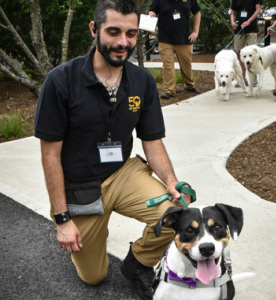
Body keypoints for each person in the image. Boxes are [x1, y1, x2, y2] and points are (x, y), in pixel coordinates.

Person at [34, 1, 191, 299]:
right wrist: (62, 219)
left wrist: (172, 182)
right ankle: (93, 225)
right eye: (114, 32)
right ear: (95, 29)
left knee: (178, 216)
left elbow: (152, 140)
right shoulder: (60, 81)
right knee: (94, 277)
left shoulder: (142, 81)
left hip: (123, 172)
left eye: (131, 33)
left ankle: (138, 264)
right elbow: (49, 155)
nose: (123, 42)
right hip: (81, 184)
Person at [148, 0, 201, 100]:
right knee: (168, 65)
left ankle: (189, 85)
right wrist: (152, 15)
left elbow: (197, 11)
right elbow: (152, 10)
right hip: (165, 39)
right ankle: (169, 90)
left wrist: (195, 31)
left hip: (184, 38)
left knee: (186, 65)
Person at [230, 0, 262, 87]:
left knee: (253, 53)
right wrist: (232, 22)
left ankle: (253, 76)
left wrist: (248, 21)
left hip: (251, 28)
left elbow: (258, 10)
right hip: (239, 29)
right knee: (239, 54)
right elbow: (233, 12)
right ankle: (242, 78)